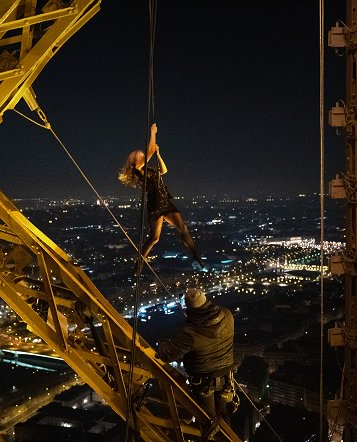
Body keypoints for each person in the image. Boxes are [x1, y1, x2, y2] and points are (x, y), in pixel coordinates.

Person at [118, 123, 204, 271]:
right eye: (139, 155)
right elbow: (150, 149)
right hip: (155, 204)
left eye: (142, 154)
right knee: (155, 238)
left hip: (164, 201)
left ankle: (197, 257)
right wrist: (153, 133)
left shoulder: (148, 169)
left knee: (183, 228)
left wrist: (158, 154)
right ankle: (138, 265)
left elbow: (163, 170)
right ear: (133, 161)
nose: (142, 155)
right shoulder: (138, 170)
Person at [156, 288, 236, 435]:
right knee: (224, 418)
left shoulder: (190, 333)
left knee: (208, 422)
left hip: (203, 382)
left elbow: (167, 355)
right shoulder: (227, 315)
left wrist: (161, 343)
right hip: (225, 376)